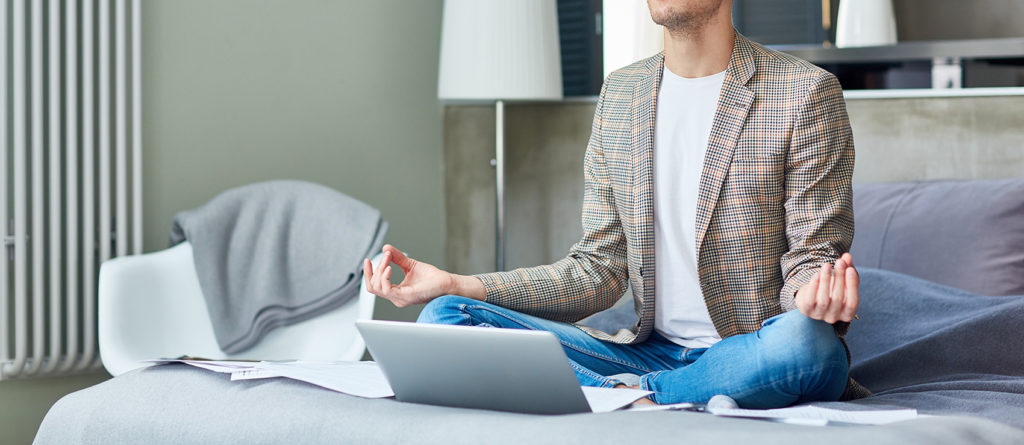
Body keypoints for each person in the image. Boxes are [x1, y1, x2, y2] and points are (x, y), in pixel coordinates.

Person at [363, 0, 868, 407]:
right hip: (648, 352)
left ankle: (621, 399)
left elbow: (811, 257)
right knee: (449, 317)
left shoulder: (804, 92)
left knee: (807, 347)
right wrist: (456, 282)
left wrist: (814, 297)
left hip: (751, 348)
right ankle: (636, 394)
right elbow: (598, 270)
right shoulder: (621, 94)